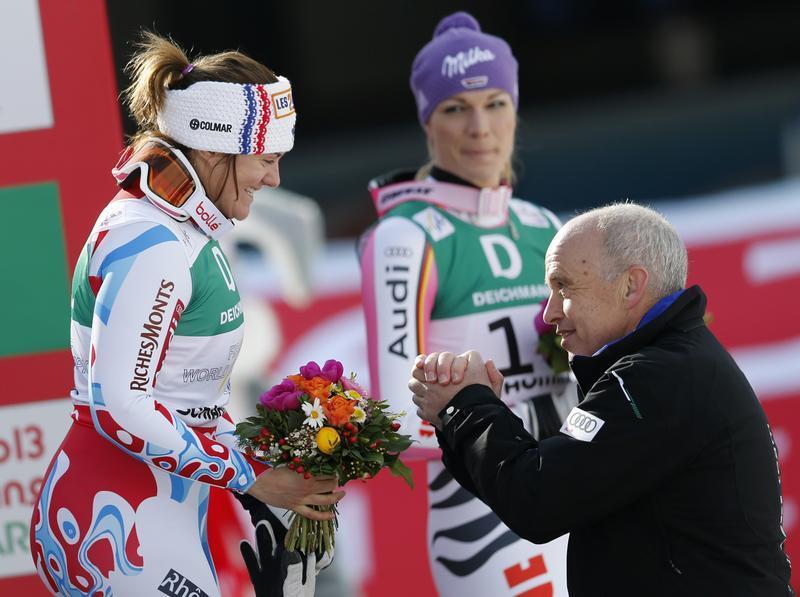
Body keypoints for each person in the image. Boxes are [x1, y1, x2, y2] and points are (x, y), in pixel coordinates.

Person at [30, 33, 342, 597]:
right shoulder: (151, 239)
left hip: (159, 512)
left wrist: (253, 487)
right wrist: (252, 479)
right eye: (267, 160)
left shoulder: (181, 227)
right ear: (213, 147)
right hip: (112, 516)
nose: (274, 179)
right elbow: (118, 405)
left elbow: (190, 402)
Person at [409, 203, 794, 596]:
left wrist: (468, 405)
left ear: (631, 285)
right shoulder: (675, 363)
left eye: (564, 286)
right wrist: (456, 414)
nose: (550, 312)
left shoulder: (654, 378)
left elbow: (537, 500)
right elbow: (538, 491)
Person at [360, 11, 577, 595]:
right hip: (487, 517)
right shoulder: (404, 237)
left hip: (584, 499)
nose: (480, 127)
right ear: (428, 124)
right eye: (456, 108)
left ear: (515, 111)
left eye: (495, 103)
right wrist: (483, 414)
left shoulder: (545, 227)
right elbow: (395, 418)